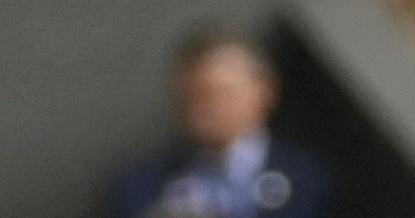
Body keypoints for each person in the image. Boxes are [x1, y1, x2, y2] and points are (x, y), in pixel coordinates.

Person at [96, 31, 334, 218]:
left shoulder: (308, 181)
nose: (201, 110)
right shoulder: (141, 186)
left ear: (264, 91)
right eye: (190, 97)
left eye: (217, 95)